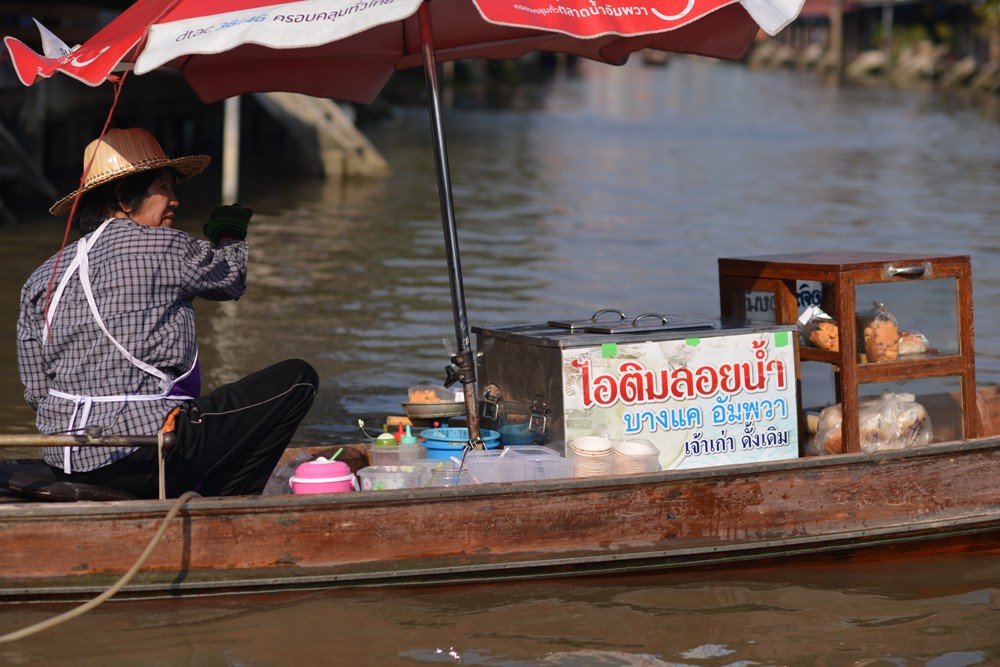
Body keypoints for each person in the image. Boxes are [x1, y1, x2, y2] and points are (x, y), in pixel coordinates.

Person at [16, 127, 319, 499]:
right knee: (298, 378)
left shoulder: (43, 275)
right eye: (164, 187)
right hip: (143, 458)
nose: (175, 200)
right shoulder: (164, 246)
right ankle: (232, 501)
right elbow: (230, 280)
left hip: (62, 459)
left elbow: (36, 391)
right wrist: (229, 236)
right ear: (124, 198)